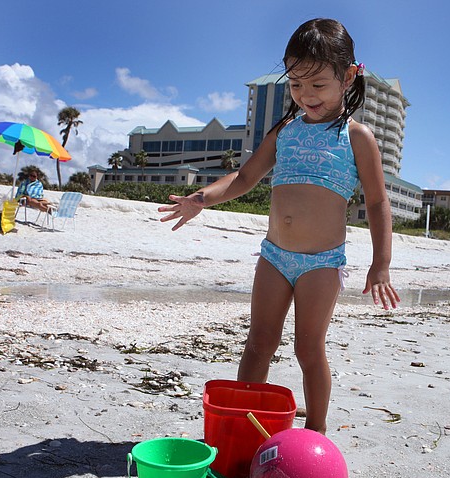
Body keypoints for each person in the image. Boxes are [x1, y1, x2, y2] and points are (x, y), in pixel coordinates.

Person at [159, 18, 400, 434]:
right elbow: (244, 178)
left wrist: (381, 264)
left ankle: (316, 434)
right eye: (296, 85)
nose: (306, 96)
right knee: (258, 343)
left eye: (318, 85)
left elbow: (378, 202)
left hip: (321, 263)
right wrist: (202, 198)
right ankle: (242, 426)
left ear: (348, 76)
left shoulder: (356, 137)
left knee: (309, 350)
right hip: (274, 256)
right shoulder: (285, 132)